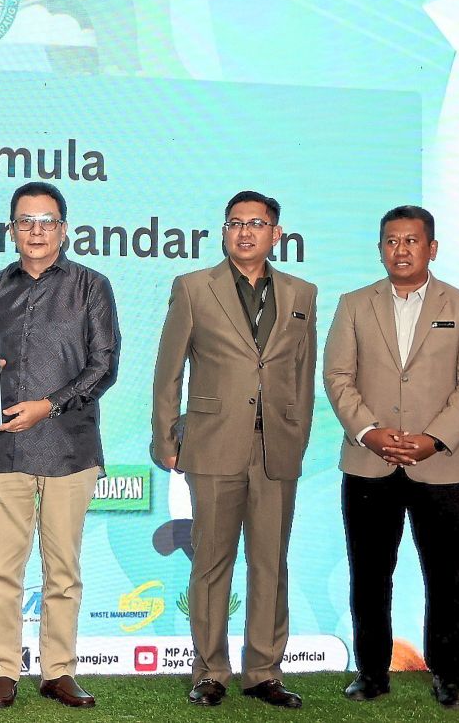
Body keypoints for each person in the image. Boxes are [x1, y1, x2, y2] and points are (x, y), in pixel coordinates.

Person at [151, 190, 316, 709]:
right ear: (223, 232)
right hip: (212, 444)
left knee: (271, 563)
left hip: (277, 449)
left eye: (257, 224)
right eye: (235, 223)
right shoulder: (194, 288)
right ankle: (210, 672)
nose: (245, 232)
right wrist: (165, 439)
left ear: (276, 234)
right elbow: (168, 371)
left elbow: (302, 375)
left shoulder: (301, 294)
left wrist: (298, 436)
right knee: (212, 562)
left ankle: (264, 671)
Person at [324, 205, 459, 710]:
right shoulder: (353, 304)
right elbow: (337, 377)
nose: (401, 249)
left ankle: (448, 674)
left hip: (439, 465)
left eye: (412, 241)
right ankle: (372, 673)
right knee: (370, 573)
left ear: (432, 248)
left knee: (443, 574)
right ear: (380, 249)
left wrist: (434, 438)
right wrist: (370, 431)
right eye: (391, 241)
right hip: (368, 462)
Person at [0, 182, 120, 710]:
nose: (36, 230)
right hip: (2, 448)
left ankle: (58, 671)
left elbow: (104, 367)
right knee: (1, 569)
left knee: (63, 570)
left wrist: (47, 405)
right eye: (25, 221)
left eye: (47, 221)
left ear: (64, 228)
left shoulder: (91, 287)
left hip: (68, 448)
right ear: (10, 229)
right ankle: (3, 671)